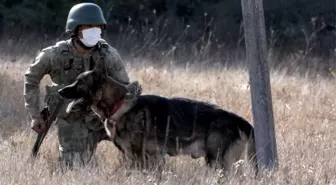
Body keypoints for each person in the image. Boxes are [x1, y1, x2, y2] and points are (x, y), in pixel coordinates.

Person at [23, 2, 139, 170]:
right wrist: (35, 115)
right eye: (88, 26)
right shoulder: (55, 54)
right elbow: (31, 78)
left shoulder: (108, 54)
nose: (94, 31)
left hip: (104, 115)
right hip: (73, 118)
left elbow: (124, 87)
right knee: (73, 166)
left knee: (139, 148)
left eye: (97, 27)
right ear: (76, 29)